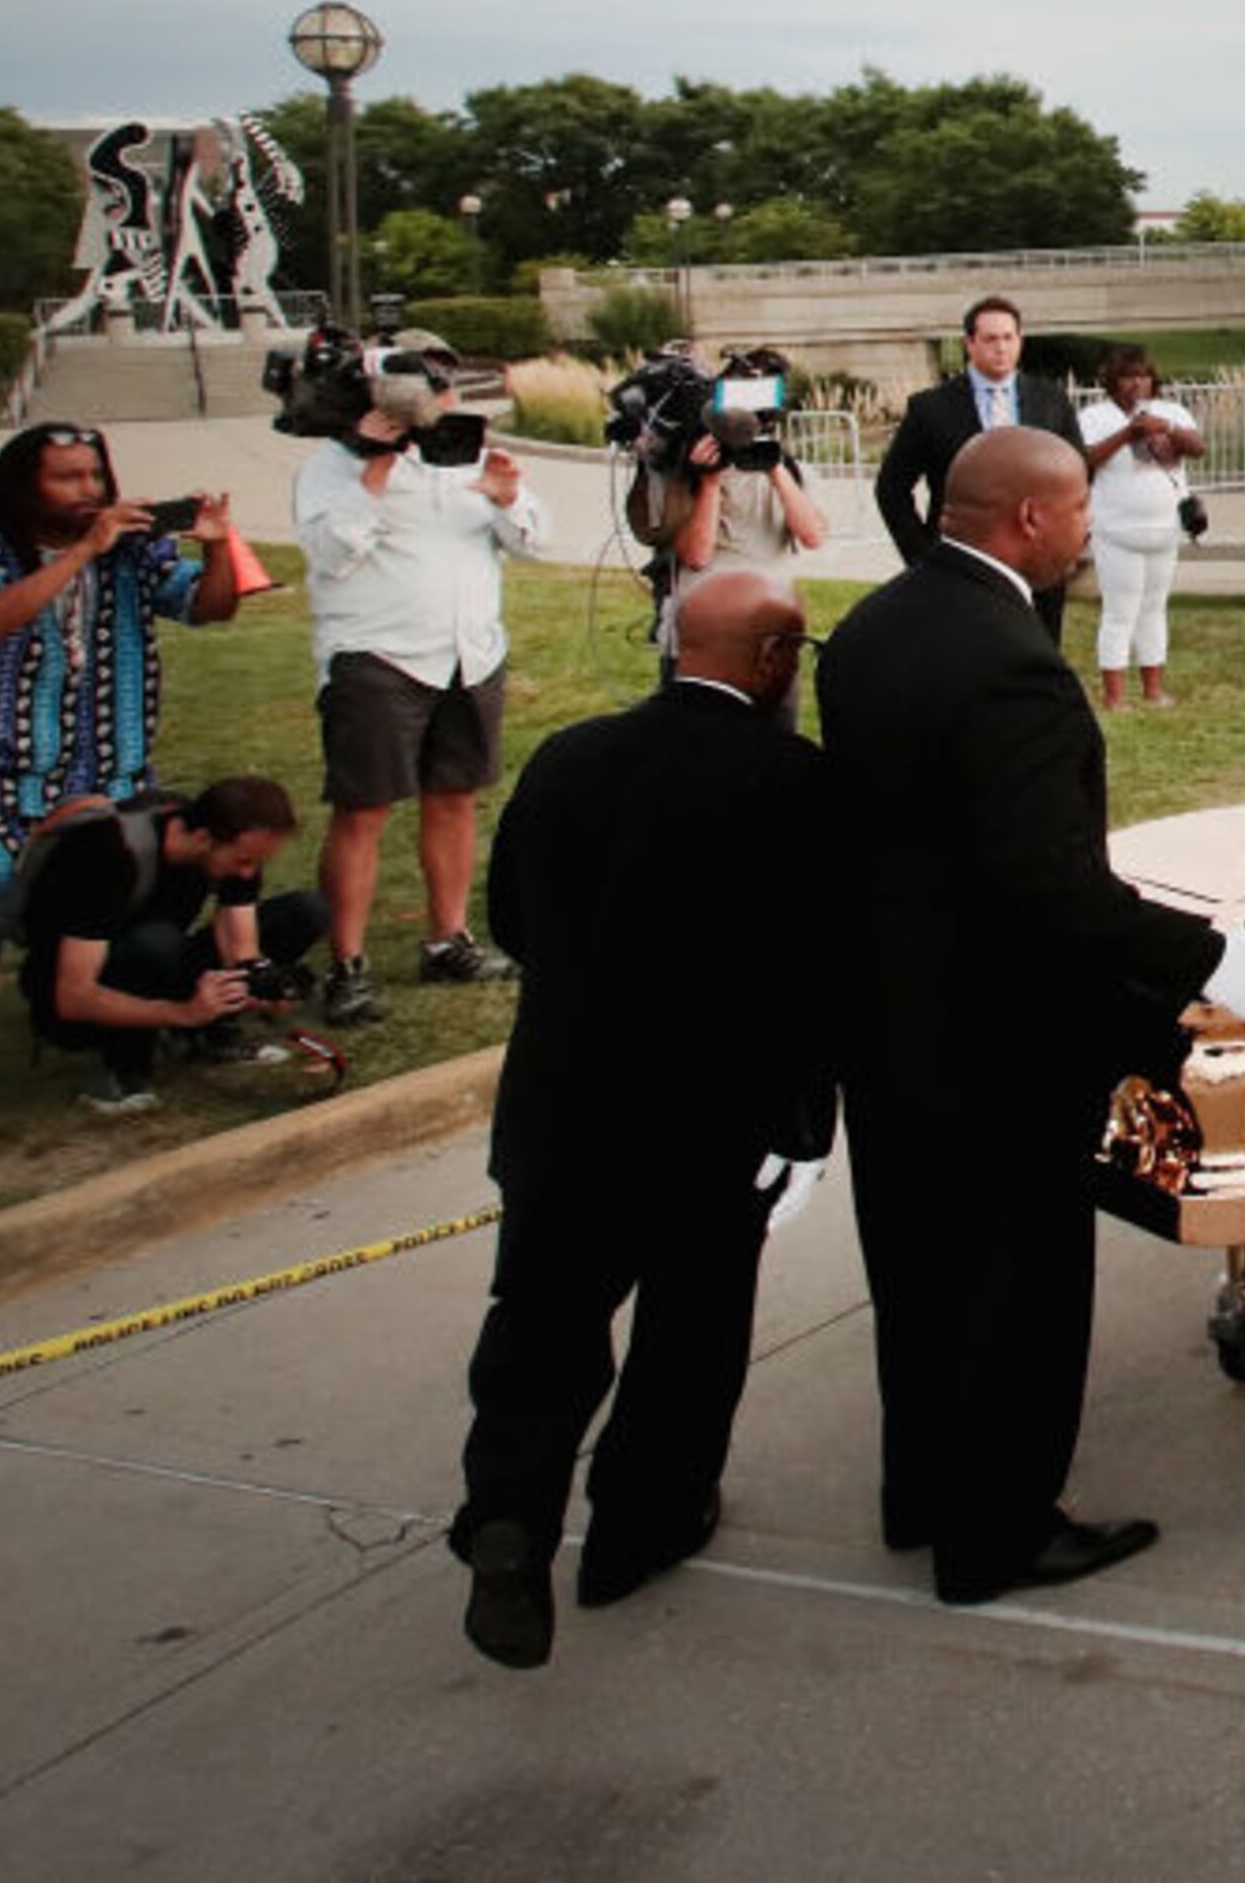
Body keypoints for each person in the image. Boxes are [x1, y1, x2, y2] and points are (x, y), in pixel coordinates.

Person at [817, 427, 1245, 1605]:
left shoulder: (874, 626)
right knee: (1012, 1292)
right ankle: (1001, 1531)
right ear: (1030, 519)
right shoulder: (1010, 662)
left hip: (888, 1020)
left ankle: (920, 1491)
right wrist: (1210, 953)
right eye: (1077, 510)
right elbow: (1051, 885)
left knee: (918, 1277)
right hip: (996, 1036)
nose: (1087, 530)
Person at [449, 573, 843, 1670]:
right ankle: (641, 1524)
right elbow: (817, 969)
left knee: (539, 1319)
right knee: (691, 1326)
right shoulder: (793, 780)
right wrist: (806, 1116)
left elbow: (514, 916)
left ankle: (510, 1508)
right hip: (708, 1120)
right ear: (772, 661)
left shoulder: (569, 753)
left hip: (561, 1103)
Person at [0, 422, 240, 1092]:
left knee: (150, 879)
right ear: (23, 486)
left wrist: (217, 549)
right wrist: (79, 553)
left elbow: (210, 608)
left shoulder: (135, 549)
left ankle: (115, 1020)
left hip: (111, 770)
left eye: (95, 475)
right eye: (67, 476)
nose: (88, 489)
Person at [294, 358, 546, 1028]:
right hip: (378, 654)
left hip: (469, 653)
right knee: (363, 809)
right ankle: (347, 965)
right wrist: (377, 468)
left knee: (455, 799)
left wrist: (506, 495)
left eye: (441, 392)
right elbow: (328, 552)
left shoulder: (464, 452)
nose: (434, 407)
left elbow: (533, 542)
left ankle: (449, 938)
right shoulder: (335, 464)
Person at [18, 777, 325, 1115]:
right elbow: (73, 997)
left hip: (158, 957)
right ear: (203, 837)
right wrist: (183, 1013)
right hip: (69, 990)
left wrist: (257, 983)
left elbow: (241, 944)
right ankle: (122, 1072)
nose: (247, 872)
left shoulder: (223, 843)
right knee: (157, 943)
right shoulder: (110, 853)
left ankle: (212, 1035)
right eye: (242, 861)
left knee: (306, 911)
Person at [625, 350, 830, 714]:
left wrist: (775, 469)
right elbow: (696, 555)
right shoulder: (688, 472)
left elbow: (812, 535)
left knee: (774, 745)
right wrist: (709, 483)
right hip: (704, 634)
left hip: (769, 636)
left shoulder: (792, 472)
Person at [876, 296, 1069, 636]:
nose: (1001, 348)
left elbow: (1078, 472)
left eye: (1009, 338)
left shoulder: (1051, 401)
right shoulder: (930, 408)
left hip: (1036, 562)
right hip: (960, 563)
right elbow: (891, 488)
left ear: (1020, 340)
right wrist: (923, 557)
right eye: (991, 339)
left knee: (1034, 664)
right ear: (970, 343)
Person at [1077, 343, 1202, 710]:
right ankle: (1115, 696)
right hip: (1117, 531)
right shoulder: (1095, 416)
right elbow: (1084, 460)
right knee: (1119, 612)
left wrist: (1166, 427)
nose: (1138, 383)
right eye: (1129, 376)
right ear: (1113, 381)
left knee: (1154, 608)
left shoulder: (1170, 411)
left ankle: (1153, 690)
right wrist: (1126, 435)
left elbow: (1197, 447)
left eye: (1144, 375)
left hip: (1164, 529)